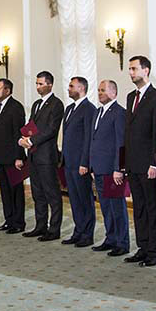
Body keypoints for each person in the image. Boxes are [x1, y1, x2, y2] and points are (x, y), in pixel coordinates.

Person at [123, 55, 156, 267]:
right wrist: (124, 163)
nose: (131, 73)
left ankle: (155, 251)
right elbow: (129, 132)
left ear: (146, 70)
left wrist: (154, 163)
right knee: (138, 208)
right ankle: (143, 247)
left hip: (149, 165)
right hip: (133, 163)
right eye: (130, 69)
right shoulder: (130, 97)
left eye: (134, 69)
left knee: (153, 208)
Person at [19, 71, 64, 241]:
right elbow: (31, 126)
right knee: (37, 193)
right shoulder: (37, 104)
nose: (38, 87)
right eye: (36, 84)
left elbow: (51, 129)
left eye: (41, 84)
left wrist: (31, 141)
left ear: (50, 84)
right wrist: (23, 138)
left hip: (46, 156)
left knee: (52, 193)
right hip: (33, 155)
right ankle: (40, 226)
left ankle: (54, 229)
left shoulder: (56, 104)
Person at [89, 80, 129, 256]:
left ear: (114, 92)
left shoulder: (119, 113)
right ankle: (110, 238)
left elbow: (121, 143)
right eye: (99, 90)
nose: (100, 93)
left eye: (103, 90)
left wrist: (119, 168)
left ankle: (122, 243)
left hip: (113, 170)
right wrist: (91, 165)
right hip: (98, 168)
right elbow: (94, 140)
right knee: (105, 207)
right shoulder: (98, 112)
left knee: (117, 208)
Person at [60, 76, 96, 246]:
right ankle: (78, 231)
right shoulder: (69, 108)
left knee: (85, 199)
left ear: (81, 88)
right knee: (74, 199)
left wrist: (85, 162)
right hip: (68, 162)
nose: (69, 89)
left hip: (81, 163)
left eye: (71, 86)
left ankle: (87, 235)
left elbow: (89, 138)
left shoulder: (89, 108)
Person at [0, 78, 26, 234]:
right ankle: (9, 220)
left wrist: (19, 157)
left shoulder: (15, 107)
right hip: (0, 157)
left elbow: (18, 133)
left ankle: (18, 222)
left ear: (7, 90)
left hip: (13, 158)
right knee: (5, 191)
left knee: (16, 192)